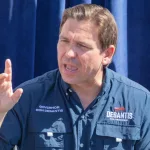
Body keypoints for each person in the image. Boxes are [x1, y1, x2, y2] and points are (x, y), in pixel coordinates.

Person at [0, 4, 150, 150]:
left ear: (107, 54)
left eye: (82, 46)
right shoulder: (27, 97)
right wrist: (0, 112)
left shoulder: (139, 102)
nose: (69, 53)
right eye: (64, 41)